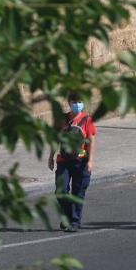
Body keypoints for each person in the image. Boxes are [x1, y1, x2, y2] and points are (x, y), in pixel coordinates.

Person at [49, 91, 96, 231]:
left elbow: (92, 141)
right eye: (74, 102)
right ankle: (67, 217)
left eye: (80, 102)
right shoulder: (61, 120)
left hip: (81, 161)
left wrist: (90, 161)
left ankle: (75, 222)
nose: (77, 105)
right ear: (69, 103)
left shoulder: (87, 120)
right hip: (63, 160)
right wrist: (50, 156)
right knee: (61, 190)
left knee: (78, 192)